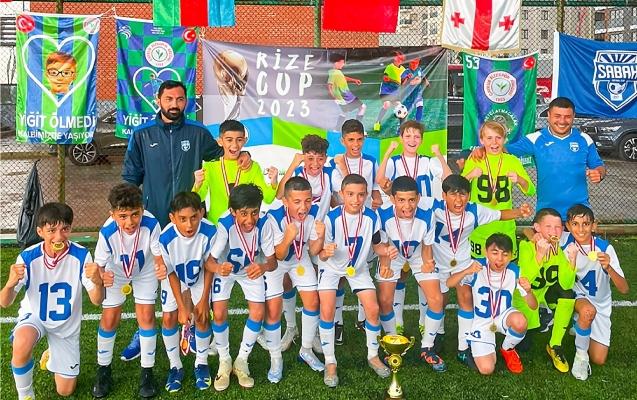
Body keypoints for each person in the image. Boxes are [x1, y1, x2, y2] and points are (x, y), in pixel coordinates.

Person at [122, 80, 248, 361]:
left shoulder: (198, 132)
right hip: (156, 218)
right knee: (152, 276)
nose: (174, 104)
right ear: (158, 100)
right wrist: (133, 213)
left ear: (186, 102)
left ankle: (191, 326)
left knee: (192, 273)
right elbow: (130, 178)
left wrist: (245, 156)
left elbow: (225, 157)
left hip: (191, 219)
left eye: (180, 99)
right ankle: (143, 329)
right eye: (169, 99)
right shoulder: (142, 134)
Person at [1, 203, 105, 399]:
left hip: (65, 324)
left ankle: (52, 352)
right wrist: (9, 284)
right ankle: (26, 396)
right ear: (40, 231)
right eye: (51, 230)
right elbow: (4, 303)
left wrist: (98, 282)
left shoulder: (81, 255)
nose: (59, 236)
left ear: (70, 229)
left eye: (64, 229)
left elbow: (96, 301)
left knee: (65, 391)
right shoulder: (27, 257)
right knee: (22, 343)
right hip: (36, 315)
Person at [431, 175, 532, 365]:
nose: (458, 200)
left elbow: (499, 214)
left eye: (463, 194)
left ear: (469, 195)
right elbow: (407, 203)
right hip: (437, 259)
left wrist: (519, 212)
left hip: (461, 260)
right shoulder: (432, 207)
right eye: (453, 194)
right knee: (439, 300)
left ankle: (463, 348)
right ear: (444, 196)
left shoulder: (474, 210)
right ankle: (438, 335)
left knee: (465, 298)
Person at [471, 97, 606, 221]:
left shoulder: (584, 139)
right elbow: (505, 149)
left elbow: (599, 166)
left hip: (579, 213)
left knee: (581, 241)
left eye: (567, 117)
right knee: (545, 241)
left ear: (573, 116)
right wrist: (483, 149)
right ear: (549, 115)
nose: (562, 121)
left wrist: (599, 173)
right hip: (547, 212)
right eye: (557, 116)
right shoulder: (535, 139)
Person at [91, 183, 167, 398]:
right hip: (116, 271)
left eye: (135, 214)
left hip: (145, 270)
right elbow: (99, 266)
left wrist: (161, 267)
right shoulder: (107, 232)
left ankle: (147, 373)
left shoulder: (152, 224)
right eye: (122, 216)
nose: (130, 222)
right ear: (112, 214)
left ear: (142, 209)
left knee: (147, 316)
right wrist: (102, 276)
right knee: (109, 318)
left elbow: (158, 255)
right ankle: (103, 370)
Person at [376, 120, 452, 335]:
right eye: (407, 136)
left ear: (422, 140)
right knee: (399, 273)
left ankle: (423, 319)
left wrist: (438, 155)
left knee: (424, 269)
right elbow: (380, 180)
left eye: (416, 136)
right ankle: (398, 320)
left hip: (422, 218)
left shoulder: (427, 161)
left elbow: (448, 179)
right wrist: (388, 152)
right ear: (401, 138)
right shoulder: (395, 161)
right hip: (399, 220)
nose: (412, 140)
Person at [317, 173, 392, 387]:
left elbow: (377, 245)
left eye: (360, 195)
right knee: (327, 310)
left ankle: (373, 355)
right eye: (350, 194)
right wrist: (326, 252)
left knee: (373, 309)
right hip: (331, 268)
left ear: (366, 195)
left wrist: (387, 251)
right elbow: (321, 254)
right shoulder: (332, 218)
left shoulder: (372, 217)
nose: (355, 199)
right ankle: (330, 361)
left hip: (357, 268)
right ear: (341, 194)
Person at [207, 184, 277, 391]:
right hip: (226, 270)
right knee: (219, 313)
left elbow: (273, 262)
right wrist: (219, 268)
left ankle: (241, 360)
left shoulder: (264, 223)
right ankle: (224, 360)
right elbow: (209, 262)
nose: (250, 219)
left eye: (254, 212)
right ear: (233, 211)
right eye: (244, 213)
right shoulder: (224, 224)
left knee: (258, 313)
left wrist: (262, 267)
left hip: (251, 269)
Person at [376, 176, 446, 372]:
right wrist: (385, 265)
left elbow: (427, 246)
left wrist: (428, 263)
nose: (407, 206)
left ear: (418, 198)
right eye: (401, 200)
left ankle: (427, 347)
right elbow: (383, 244)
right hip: (392, 253)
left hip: (417, 254)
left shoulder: (427, 215)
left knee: (436, 298)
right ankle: (392, 344)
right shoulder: (383, 215)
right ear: (392, 199)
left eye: (411, 200)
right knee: (385, 299)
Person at [275, 134, 336, 349]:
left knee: (318, 285)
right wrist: (293, 164)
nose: (315, 164)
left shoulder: (331, 174)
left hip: (318, 233)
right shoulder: (298, 173)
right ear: (303, 157)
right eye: (310, 158)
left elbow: (340, 196)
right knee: (287, 282)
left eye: (320, 158)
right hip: (295, 234)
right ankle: (291, 327)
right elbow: (279, 195)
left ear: (325, 158)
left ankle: (314, 331)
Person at [447, 234, 537, 375]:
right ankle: (479, 344)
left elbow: (533, 306)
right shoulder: (476, 266)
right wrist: (466, 271)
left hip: (503, 316)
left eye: (505, 254)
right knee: (487, 369)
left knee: (520, 322)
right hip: (482, 320)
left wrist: (529, 291)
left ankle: (507, 349)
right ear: (485, 252)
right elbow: (449, 283)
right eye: (495, 253)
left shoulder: (515, 271)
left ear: (511, 255)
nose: (500, 259)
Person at [264, 177, 326, 378]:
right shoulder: (274, 217)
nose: (304, 207)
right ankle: (276, 358)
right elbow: (279, 255)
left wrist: (321, 237)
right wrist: (288, 238)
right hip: (276, 261)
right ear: (285, 201)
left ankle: (305, 349)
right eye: (297, 201)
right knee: (273, 309)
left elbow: (314, 250)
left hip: (300, 258)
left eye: (307, 200)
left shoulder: (315, 211)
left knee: (313, 301)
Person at [562, 204, 628, 380]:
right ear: (568, 226)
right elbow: (536, 231)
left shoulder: (605, 249)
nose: (580, 229)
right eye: (575, 224)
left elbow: (624, 289)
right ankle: (580, 358)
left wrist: (609, 268)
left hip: (601, 302)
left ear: (594, 225)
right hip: (577, 296)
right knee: (587, 311)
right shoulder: (564, 243)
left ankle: (579, 324)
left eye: (585, 224)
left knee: (599, 359)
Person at [158, 192, 216, 392]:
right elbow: (171, 273)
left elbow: (210, 266)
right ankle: (175, 366)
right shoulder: (165, 238)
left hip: (201, 274)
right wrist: (182, 307)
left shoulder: (210, 231)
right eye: (182, 219)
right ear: (172, 218)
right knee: (169, 318)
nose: (189, 225)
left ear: (201, 213)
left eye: (194, 217)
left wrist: (204, 300)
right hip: (175, 277)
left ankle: (201, 362)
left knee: (202, 316)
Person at [330, 119, 383, 338]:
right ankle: (337, 321)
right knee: (340, 275)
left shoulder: (370, 161)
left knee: (364, 268)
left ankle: (362, 318)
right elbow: (341, 192)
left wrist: (377, 197)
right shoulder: (335, 163)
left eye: (359, 139)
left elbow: (375, 188)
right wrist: (343, 167)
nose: (355, 144)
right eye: (351, 140)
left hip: (366, 224)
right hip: (344, 225)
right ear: (342, 140)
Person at [512, 208, 578, 374]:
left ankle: (555, 345)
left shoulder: (558, 250)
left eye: (557, 227)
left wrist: (572, 261)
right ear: (537, 227)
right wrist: (540, 255)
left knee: (567, 295)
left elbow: (566, 284)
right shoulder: (526, 246)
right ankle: (540, 316)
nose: (554, 231)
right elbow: (526, 279)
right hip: (526, 296)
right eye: (548, 226)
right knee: (523, 345)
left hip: (545, 292)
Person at [462, 120, 535, 259]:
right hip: (480, 227)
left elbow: (531, 190)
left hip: (505, 227)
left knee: (505, 266)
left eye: (498, 138)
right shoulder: (475, 159)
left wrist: (519, 179)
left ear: (504, 139)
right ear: (482, 140)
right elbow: (459, 187)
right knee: (480, 267)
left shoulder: (512, 161)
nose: (494, 142)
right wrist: (470, 175)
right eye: (489, 138)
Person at [193, 119, 278, 224]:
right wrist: (197, 184)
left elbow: (268, 198)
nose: (234, 145)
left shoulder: (253, 167)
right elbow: (198, 199)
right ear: (220, 141)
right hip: (217, 226)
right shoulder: (210, 166)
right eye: (229, 140)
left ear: (245, 141)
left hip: (242, 227)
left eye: (239, 140)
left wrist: (274, 182)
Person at [327, 53, 366, 130]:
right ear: (336, 63)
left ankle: (337, 129)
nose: (343, 64)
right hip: (345, 97)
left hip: (345, 96)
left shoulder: (336, 72)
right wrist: (334, 97)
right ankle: (357, 128)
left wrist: (354, 80)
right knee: (362, 107)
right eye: (342, 62)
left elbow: (343, 77)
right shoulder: (334, 73)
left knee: (344, 112)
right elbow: (329, 85)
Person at [373, 51, 406, 132]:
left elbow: (403, 83)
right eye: (397, 57)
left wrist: (406, 80)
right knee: (386, 104)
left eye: (401, 58)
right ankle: (377, 122)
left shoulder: (403, 69)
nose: (399, 59)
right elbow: (385, 78)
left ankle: (401, 127)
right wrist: (395, 81)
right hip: (385, 91)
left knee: (400, 107)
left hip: (395, 93)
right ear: (394, 58)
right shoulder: (389, 67)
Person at [400, 57, 430, 123]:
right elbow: (402, 85)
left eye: (416, 63)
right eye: (413, 63)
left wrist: (426, 81)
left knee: (420, 106)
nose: (414, 65)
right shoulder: (406, 72)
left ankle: (417, 122)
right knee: (405, 111)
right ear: (409, 63)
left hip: (417, 93)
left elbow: (422, 76)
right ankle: (401, 126)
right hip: (409, 95)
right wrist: (407, 79)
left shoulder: (419, 70)